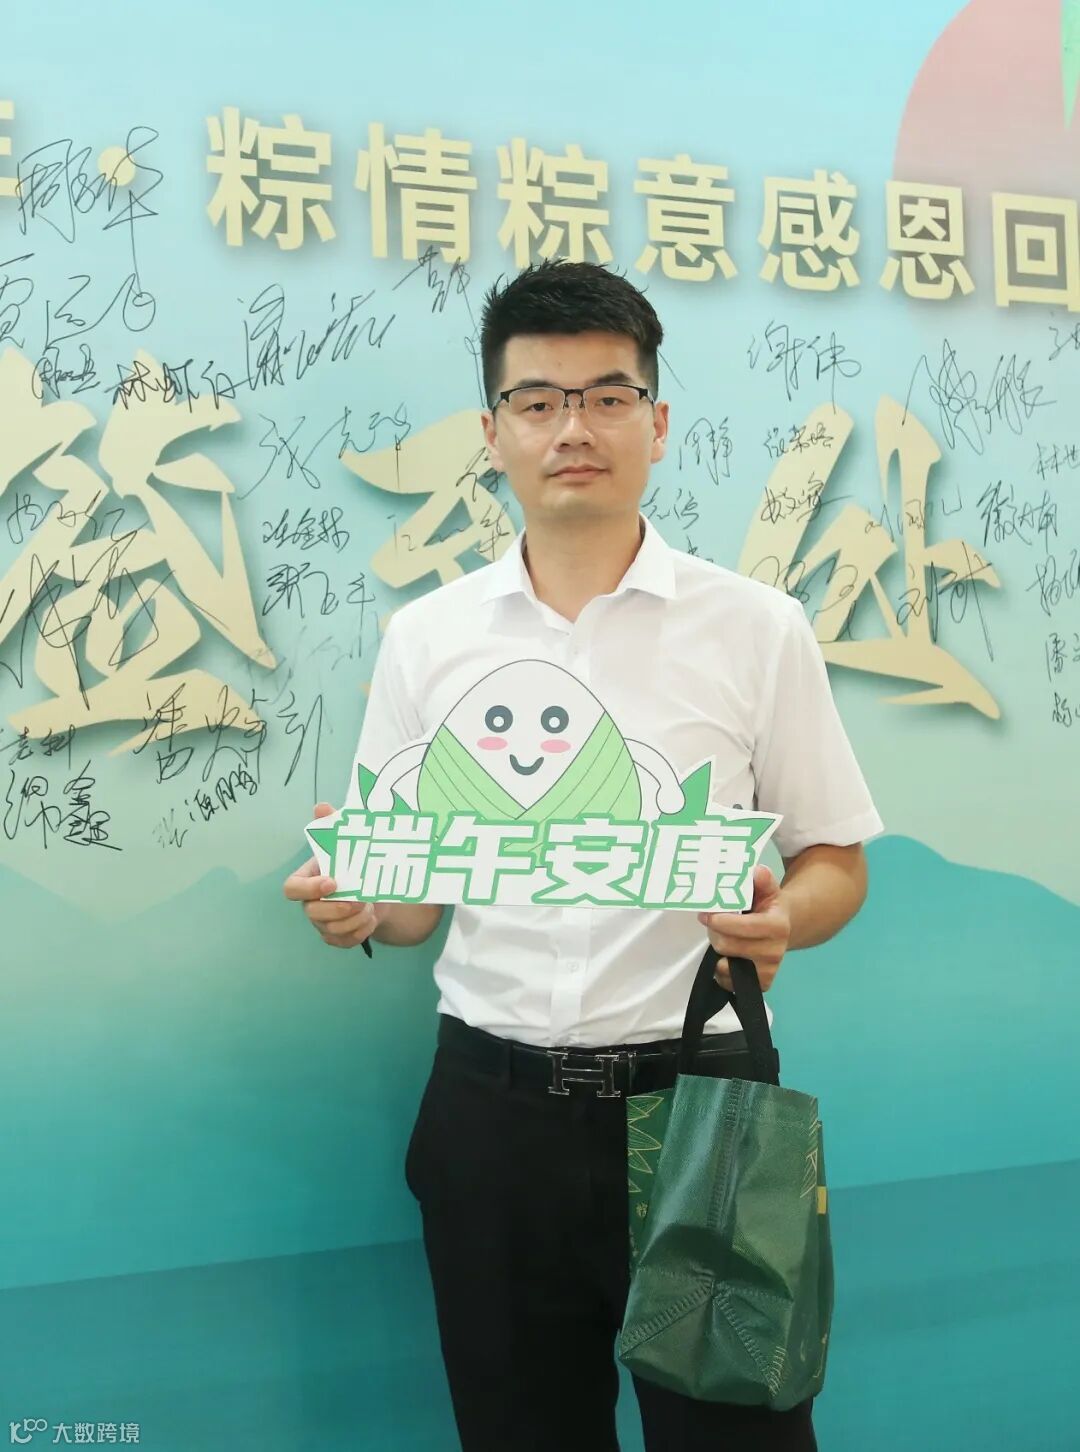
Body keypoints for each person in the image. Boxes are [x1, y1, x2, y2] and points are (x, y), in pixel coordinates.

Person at [283, 258, 884, 1452]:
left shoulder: (754, 628)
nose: (574, 429)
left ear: (656, 424)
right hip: (491, 1114)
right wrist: (360, 908)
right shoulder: (427, 639)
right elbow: (412, 900)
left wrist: (784, 920)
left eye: (609, 397)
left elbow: (835, 861)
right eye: (539, 401)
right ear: (493, 433)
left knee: (736, 1437)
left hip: (700, 1104)